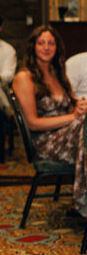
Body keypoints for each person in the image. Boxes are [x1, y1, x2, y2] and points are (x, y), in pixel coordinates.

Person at [13, 25, 87, 216]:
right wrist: (73, 117)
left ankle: (81, 199)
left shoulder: (58, 73)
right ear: (33, 47)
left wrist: (79, 107)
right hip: (46, 143)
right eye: (41, 43)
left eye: (51, 43)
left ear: (57, 48)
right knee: (84, 126)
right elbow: (32, 123)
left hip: (69, 135)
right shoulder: (24, 77)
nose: (46, 47)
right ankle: (82, 200)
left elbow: (72, 105)